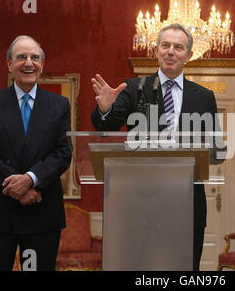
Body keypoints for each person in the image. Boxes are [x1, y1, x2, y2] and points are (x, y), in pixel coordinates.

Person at [91, 23, 222, 271]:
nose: (171, 51)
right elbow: (103, 125)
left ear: (189, 55)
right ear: (156, 50)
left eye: (178, 47)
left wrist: (209, 150)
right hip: (139, 203)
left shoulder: (204, 96)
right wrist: (105, 109)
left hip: (187, 204)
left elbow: (217, 150)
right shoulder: (133, 88)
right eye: (165, 45)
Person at [0, 35, 72, 271]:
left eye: (35, 57)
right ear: (9, 64)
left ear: (42, 64)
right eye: (21, 57)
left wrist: (29, 180)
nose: (29, 63)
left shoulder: (59, 105)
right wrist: (17, 190)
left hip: (41, 212)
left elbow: (62, 153)